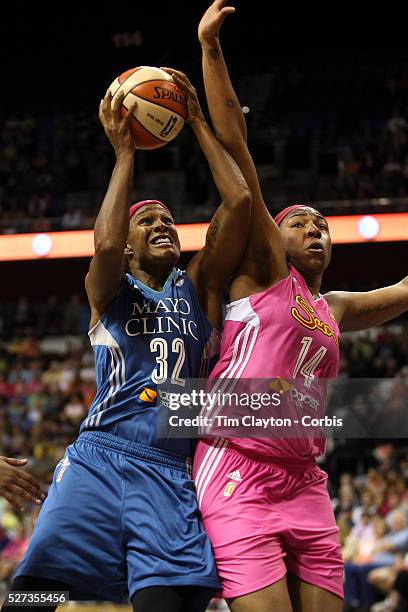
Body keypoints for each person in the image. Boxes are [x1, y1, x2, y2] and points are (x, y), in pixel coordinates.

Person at [1, 71, 251, 612]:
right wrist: (124, 156)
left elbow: (239, 202)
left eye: (168, 220)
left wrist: (199, 123)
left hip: (169, 468)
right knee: (34, 594)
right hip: (99, 458)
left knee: (165, 602)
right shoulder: (108, 289)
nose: (163, 225)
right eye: (149, 222)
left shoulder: (200, 286)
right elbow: (107, 243)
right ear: (132, 250)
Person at [190, 2, 408, 611]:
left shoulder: (333, 305)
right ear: (274, 237)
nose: (317, 231)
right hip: (239, 470)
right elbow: (236, 145)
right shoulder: (262, 272)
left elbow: (402, 293)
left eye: (324, 227)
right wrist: (211, 50)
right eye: (302, 224)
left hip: (306, 482)